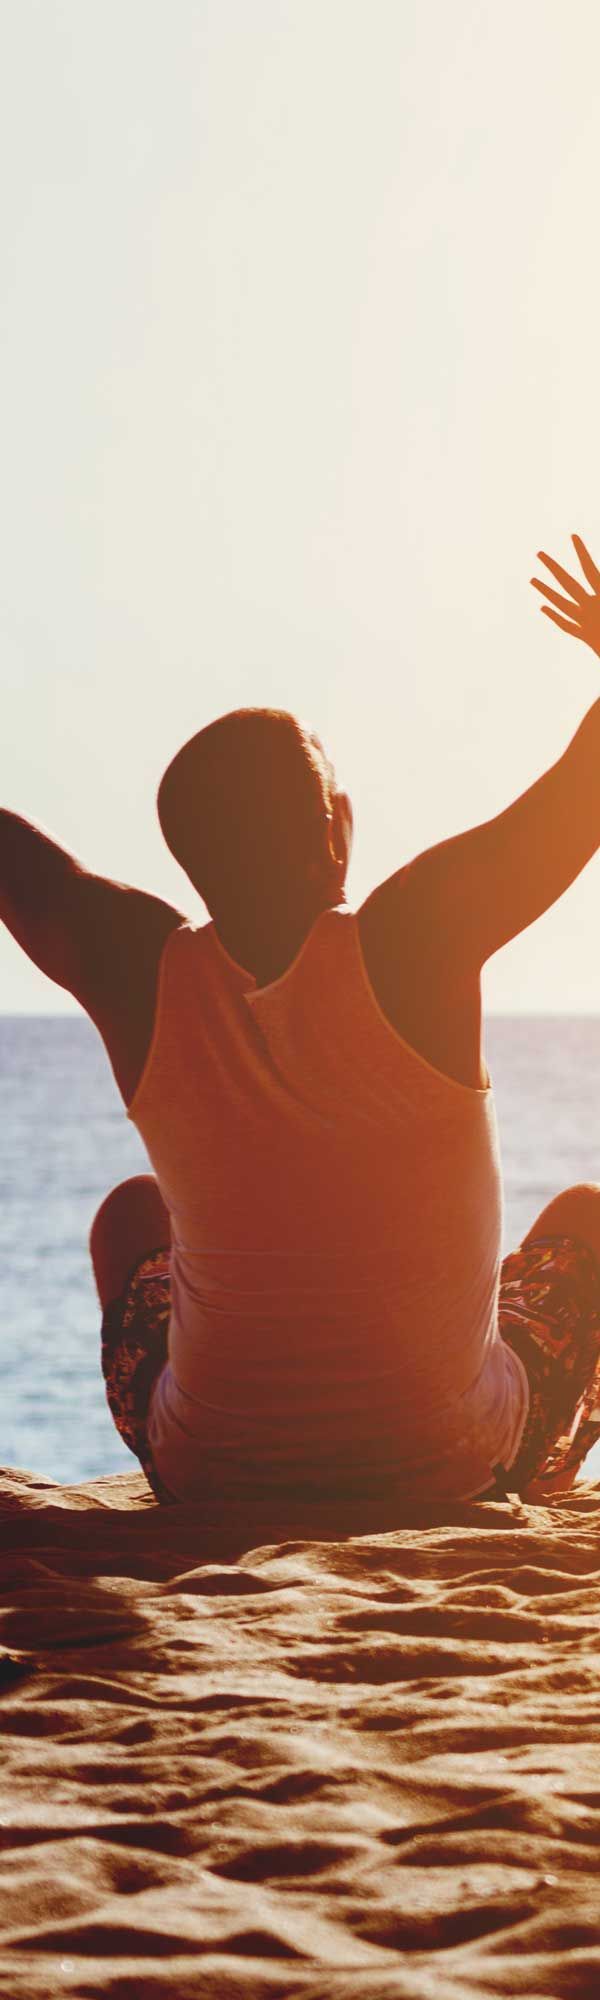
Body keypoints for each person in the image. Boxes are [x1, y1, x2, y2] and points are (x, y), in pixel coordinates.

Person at [3, 533, 600, 1507]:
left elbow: (29, 872)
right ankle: (544, 1459)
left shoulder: (138, 969)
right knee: (586, 1221)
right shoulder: (416, 939)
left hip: (207, 1468)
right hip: (452, 1459)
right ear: (334, 830)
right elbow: (579, 804)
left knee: (128, 1215)